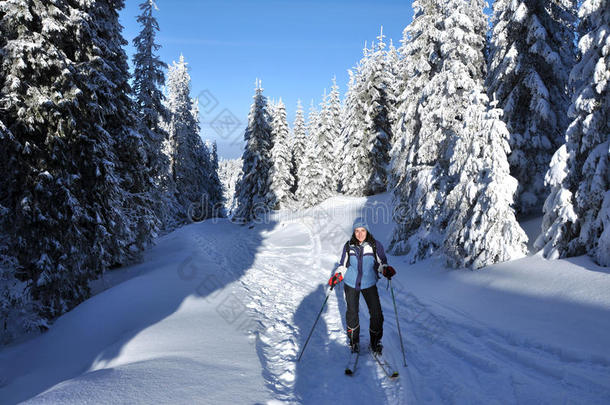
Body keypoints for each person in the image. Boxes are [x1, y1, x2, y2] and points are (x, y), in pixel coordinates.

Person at [328, 218, 396, 354]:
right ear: (354, 232)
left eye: (362, 230)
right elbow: (343, 265)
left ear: (367, 231)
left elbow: (381, 264)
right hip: (351, 283)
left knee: (376, 314)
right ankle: (354, 342)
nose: (360, 234)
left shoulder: (375, 245)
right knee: (352, 313)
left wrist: (386, 270)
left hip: (369, 283)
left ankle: (375, 342)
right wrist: (337, 275)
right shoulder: (348, 246)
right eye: (357, 231)